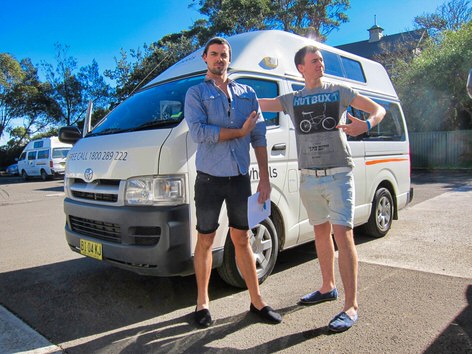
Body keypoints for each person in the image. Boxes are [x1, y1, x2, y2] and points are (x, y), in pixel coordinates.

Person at [259, 45, 386, 332]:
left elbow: (379, 109)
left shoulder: (339, 91)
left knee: (343, 235)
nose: (320, 64)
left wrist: (366, 123)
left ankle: (351, 306)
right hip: (309, 177)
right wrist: (231, 87)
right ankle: (327, 286)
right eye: (314, 60)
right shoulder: (293, 99)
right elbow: (261, 103)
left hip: (339, 174)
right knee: (320, 232)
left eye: (321, 60)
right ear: (300, 68)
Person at [184, 37, 282, 328]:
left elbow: (259, 136)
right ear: (205, 58)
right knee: (205, 239)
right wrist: (238, 132)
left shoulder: (247, 93)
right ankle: (202, 303)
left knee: (243, 238)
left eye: (224, 55)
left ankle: (257, 301)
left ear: (229, 58)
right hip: (209, 180)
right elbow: (200, 132)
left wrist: (264, 178)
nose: (219, 59)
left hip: (240, 178)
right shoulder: (195, 93)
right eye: (214, 54)